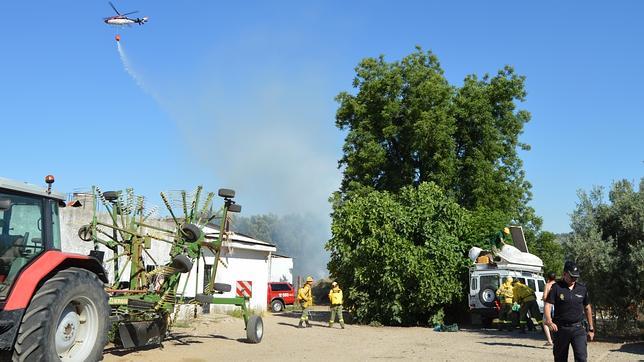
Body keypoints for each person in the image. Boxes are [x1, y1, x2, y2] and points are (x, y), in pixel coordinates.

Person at [544, 261, 594, 362]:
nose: (574, 279)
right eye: (572, 276)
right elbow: (548, 305)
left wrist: (591, 328)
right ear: (564, 274)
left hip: (578, 328)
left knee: (581, 358)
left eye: (576, 277)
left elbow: (587, 307)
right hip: (561, 329)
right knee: (560, 359)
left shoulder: (582, 289)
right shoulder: (556, 287)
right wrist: (549, 321)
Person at [542, 272, 557, 346]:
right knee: (555, 322)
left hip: (549, 306)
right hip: (557, 306)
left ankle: (549, 340)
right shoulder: (557, 285)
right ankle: (557, 339)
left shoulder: (547, 285)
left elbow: (545, 297)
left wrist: (543, 298)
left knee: (545, 322)